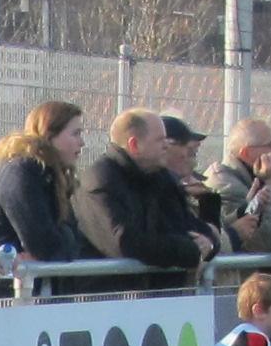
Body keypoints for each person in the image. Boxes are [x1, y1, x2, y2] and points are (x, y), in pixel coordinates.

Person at [71, 107, 216, 284]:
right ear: (134, 145)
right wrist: (191, 250)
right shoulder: (101, 180)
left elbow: (190, 225)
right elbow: (125, 242)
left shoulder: (160, 177)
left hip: (157, 293)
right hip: (109, 294)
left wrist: (208, 243)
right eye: (160, 140)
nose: (166, 145)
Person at [0, 98, 95, 261]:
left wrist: (62, 245)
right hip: (1, 275)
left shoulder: (53, 177)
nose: (82, 143)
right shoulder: (22, 172)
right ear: (50, 135)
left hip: (26, 275)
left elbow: (72, 242)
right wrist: (59, 246)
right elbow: (44, 245)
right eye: (76, 133)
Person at [209, 116, 271, 254]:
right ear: (246, 153)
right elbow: (268, 240)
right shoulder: (226, 185)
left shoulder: (256, 176)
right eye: (270, 145)